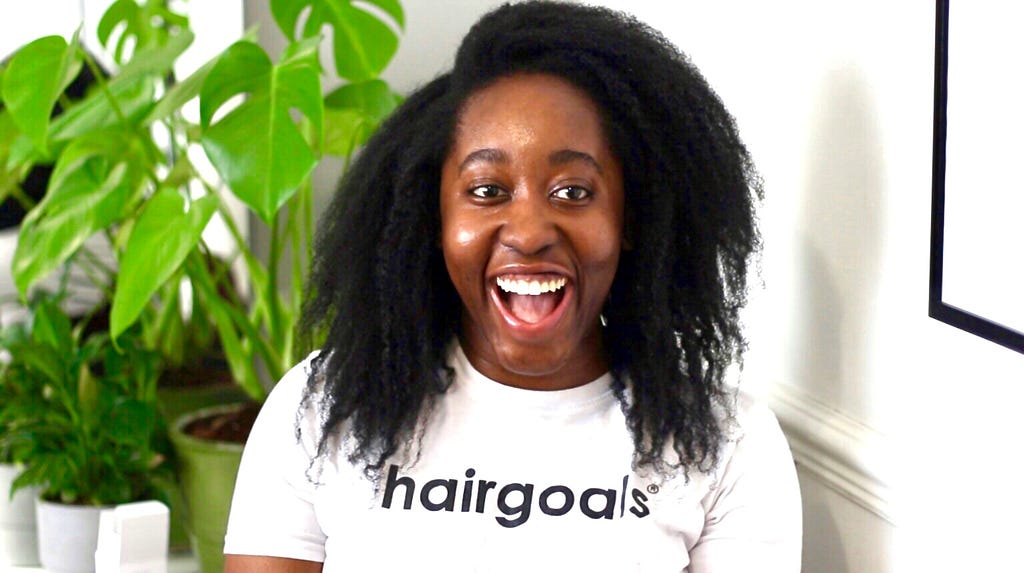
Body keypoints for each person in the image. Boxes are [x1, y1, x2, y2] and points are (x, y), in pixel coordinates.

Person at [223, 1, 801, 571]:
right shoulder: (323, 406)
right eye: (486, 191)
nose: (528, 232)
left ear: (631, 219)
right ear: (433, 219)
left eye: (574, 192)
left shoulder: (727, 442)